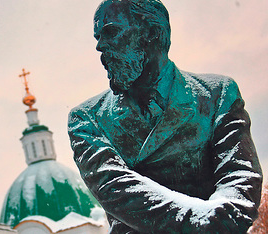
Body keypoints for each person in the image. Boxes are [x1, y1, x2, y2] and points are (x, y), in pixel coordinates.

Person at [67, 0, 263, 233]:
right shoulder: (87, 118)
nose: (100, 47)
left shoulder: (216, 94)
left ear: (153, 32)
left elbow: (240, 176)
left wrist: (224, 215)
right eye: (97, 37)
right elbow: (116, 188)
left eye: (111, 32)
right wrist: (203, 221)